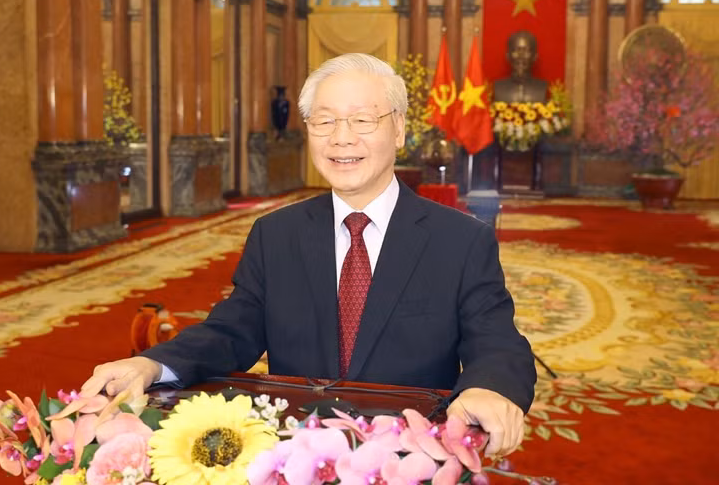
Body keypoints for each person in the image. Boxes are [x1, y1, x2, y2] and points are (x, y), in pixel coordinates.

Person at [80, 53, 536, 458]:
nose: (342, 138)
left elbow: (496, 341)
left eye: (362, 120)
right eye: (324, 120)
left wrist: (489, 389)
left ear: (398, 127)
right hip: (298, 453)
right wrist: (152, 364)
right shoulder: (276, 234)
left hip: (407, 455)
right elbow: (233, 329)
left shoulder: (459, 239)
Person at [493, 30, 548, 104]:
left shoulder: (542, 88)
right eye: (516, 50)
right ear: (507, 56)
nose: (520, 56)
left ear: (535, 57)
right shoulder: (498, 87)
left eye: (526, 51)